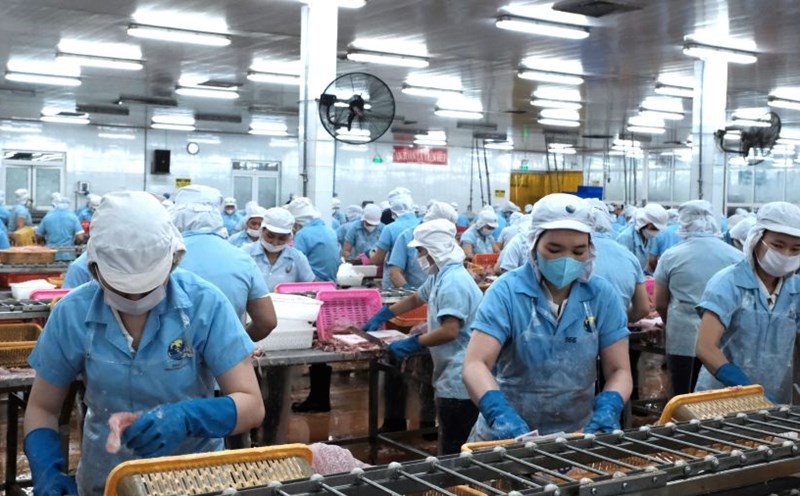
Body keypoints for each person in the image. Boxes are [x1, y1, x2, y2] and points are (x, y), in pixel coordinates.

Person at [22, 191, 264, 495]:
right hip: (106, 482)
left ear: (173, 260)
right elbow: (42, 407)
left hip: (196, 481)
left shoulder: (205, 305)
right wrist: (46, 470)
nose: (135, 299)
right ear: (95, 267)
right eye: (121, 289)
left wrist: (188, 418)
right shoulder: (72, 314)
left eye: (148, 286)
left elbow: (252, 404)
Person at [462, 193, 632, 440]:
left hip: (577, 435)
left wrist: (608, 407)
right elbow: (476, 364)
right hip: (507, 437)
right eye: (554, 249)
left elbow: (619, 369)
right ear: (534, 244)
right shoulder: (508, 291)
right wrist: (500, 414)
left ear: (590, 250)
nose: (567, 260)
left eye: (578, 251)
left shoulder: (601, 295)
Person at [364, 219, 483, 454]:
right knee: (452, 438)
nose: (419, 256)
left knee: (455, 446)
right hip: (451, 370)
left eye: (420, 250)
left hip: (461, 376)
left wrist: (412, 342)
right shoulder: (440, 275)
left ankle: (454, 487)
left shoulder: (454, 282)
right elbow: (416, 298)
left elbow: (450, 330)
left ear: (434, 250)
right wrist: (384, 313)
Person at [695, 202, 800, 404]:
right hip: (722, 397)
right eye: (778, 245)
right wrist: (744, 387)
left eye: (795, 249)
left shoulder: (796, 290)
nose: (786, 255)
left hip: (775, 398)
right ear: (756, 240)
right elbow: (705, 347)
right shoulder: (728, 283)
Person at [653, 200, 744, 397]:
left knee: (684, 397)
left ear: (682, 223)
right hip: (723, 342)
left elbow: (659, 302)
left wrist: (670, 324)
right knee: (720, 397)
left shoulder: (671, 256)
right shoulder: (736, 256)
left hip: (683, 338)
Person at [171, 185, 277, 341]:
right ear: (216, 215)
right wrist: (237, 344)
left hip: (173, 358)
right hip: (227, 362)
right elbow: (267, 322)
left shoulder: (166, 258)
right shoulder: (242, 259)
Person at [285, 197, 340, 414]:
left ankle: (316, 399)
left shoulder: (304, 235)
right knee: (321, 342)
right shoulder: (328, 230)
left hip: (309, 293)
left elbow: (292, 260)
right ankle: (319, 397)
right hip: (328, 291)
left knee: (309, 343)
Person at [586, 199, 649, 323]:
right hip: (616, 335)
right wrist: (617, 320)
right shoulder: (629, 256)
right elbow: (643, 309)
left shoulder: (573, 254)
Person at [388, 201, 457, 290]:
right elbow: (395, 272)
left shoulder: (448, 239)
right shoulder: (406, 237)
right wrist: (409, 291)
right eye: (419, 250)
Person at [244, 207, 315, 292]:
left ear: (289, 237)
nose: (275, 242)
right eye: (270, 236)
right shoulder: (245, 254)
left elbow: (312, 287)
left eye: (282, 238)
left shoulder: (297, 258)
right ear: (262, 231)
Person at [371, 188, 421, 288]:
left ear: (392, 209)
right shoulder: (421, 225)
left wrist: (371, 254)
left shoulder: (390, 229)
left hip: (396, 287)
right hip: (420, 286)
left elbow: (377, 260)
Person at [286, 197, 340, 282]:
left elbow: (295, 264)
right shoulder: (330, 231)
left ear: (297, 222)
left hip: (312, 284)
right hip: (331, 283)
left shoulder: (303, 234)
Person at [616, 203, 668, 273]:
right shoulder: (625, 238)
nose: (655, 232)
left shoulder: (647, 238)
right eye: (653, 228)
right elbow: (621, 268)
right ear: (644, 223)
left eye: (657, 229)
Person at [36, 195, 85, 262]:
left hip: (51, 254)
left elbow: (38, 235)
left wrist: (44, 243)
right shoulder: (73, 217)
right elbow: (80, 237)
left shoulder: (47, 217)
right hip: (68, 254)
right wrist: (76, 246)